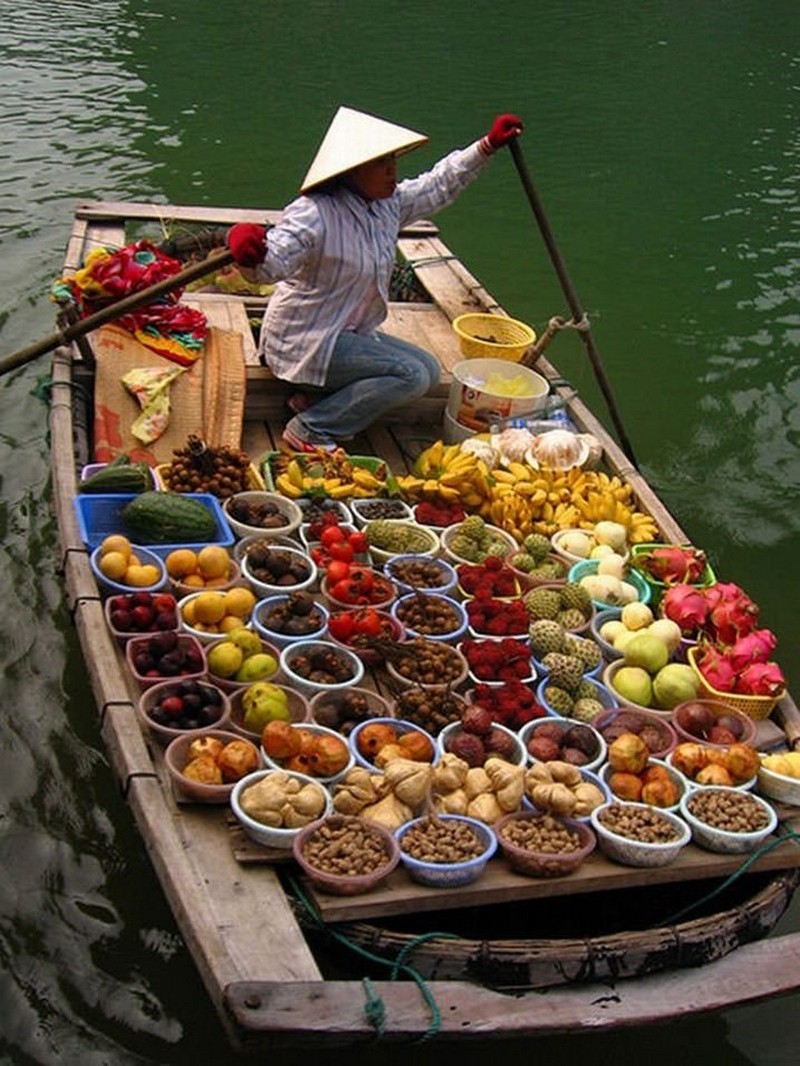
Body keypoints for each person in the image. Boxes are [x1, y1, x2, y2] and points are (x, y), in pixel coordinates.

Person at [227, 106, 523, 452]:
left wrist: (485, 147)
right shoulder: (315, 213)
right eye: (381, 164)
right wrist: (252, 253)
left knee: (427, 369)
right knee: (409, 375)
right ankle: (310, 427)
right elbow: (272, 264)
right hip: (307, 338)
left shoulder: (386, 205)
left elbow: (437, 185)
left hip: (350, 332)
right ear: (352, 171)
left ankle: (315, 398)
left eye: (393, 161)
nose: (392, 171)